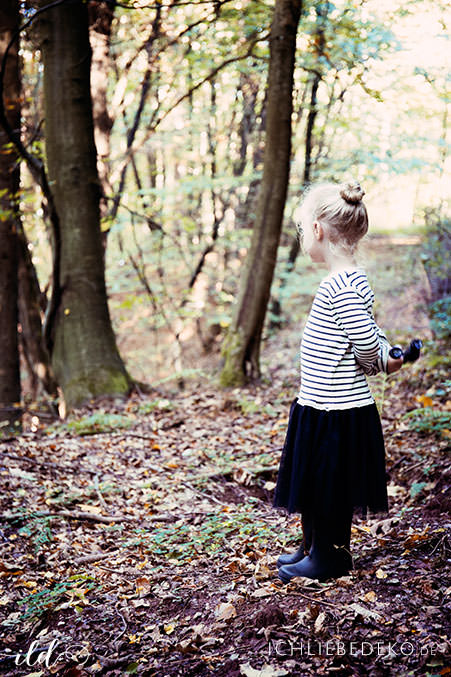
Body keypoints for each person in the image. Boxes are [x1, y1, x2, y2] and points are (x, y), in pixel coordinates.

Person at [274, 179, 405, 584]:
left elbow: (364, 339)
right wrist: (383, 352)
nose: (302, 238)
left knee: (329, 489)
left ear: (318, 231)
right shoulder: (345, 281)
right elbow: (368, 332)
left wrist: (381, 359)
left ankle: (330, 557)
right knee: (313, 484)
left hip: (338, 411)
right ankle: (312, 548)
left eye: (302, 230)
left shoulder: (342, 284)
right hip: (319, 405)